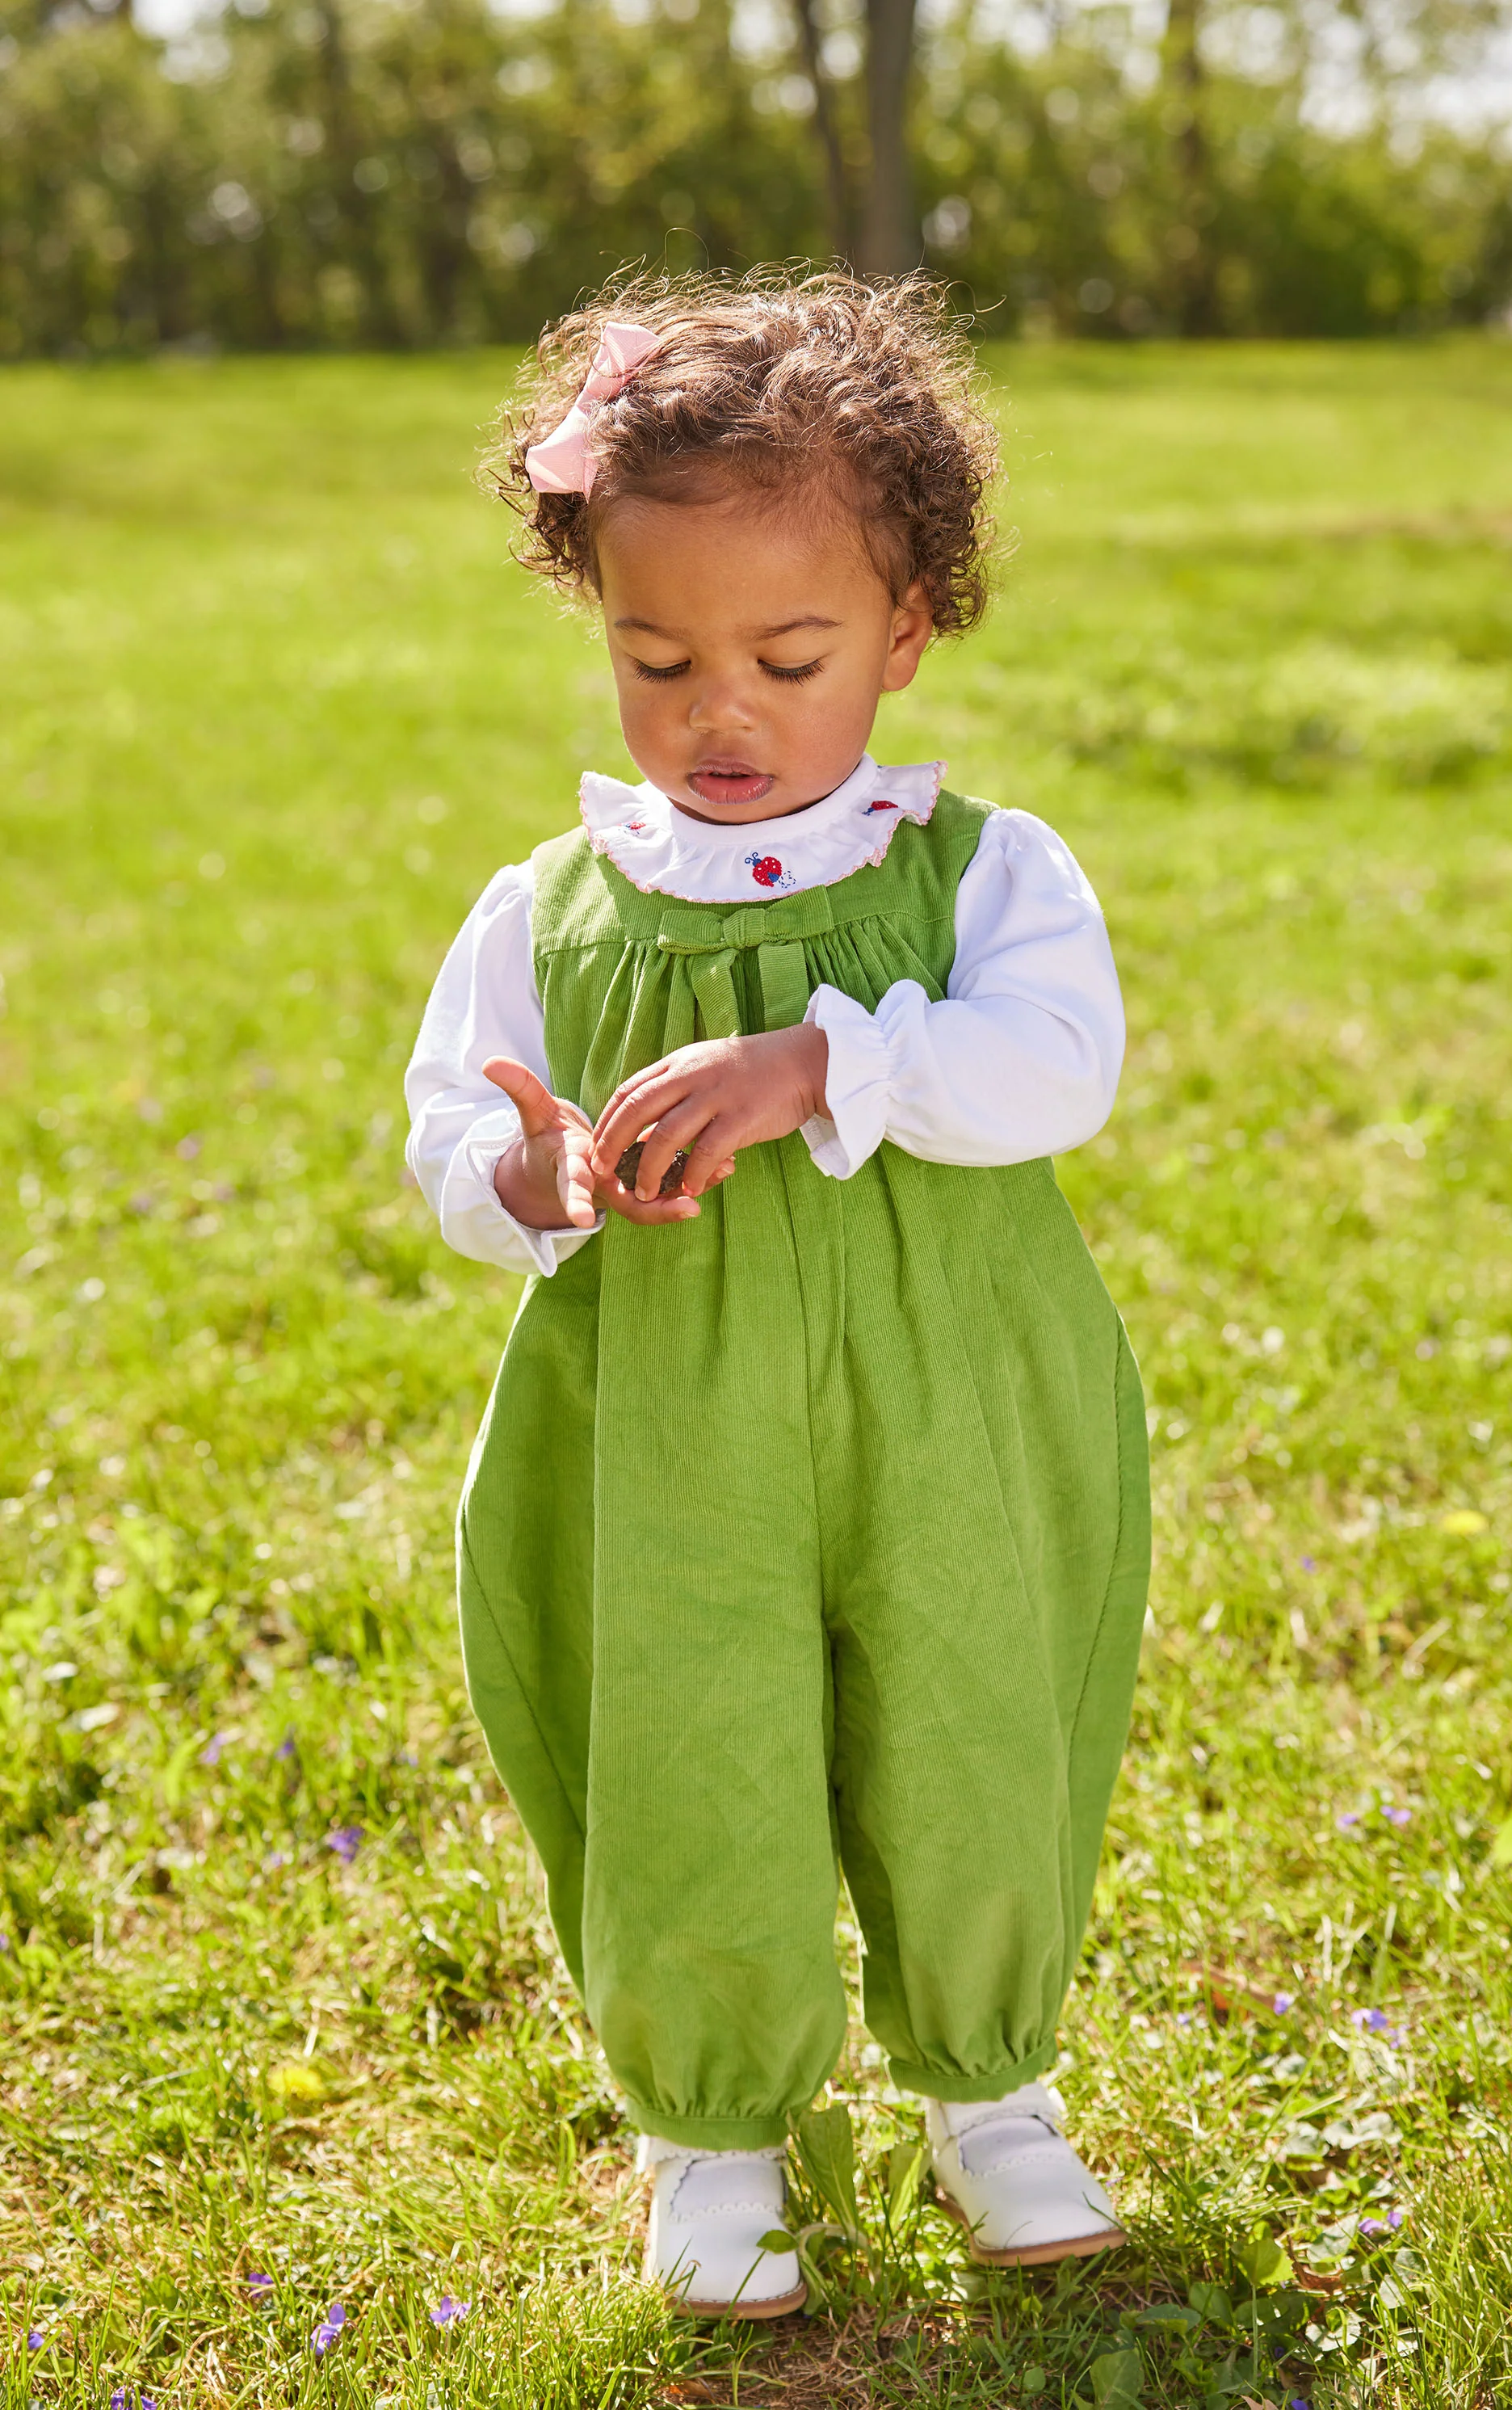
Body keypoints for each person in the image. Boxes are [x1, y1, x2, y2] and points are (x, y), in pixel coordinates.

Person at [404, 271, 1150, 2319]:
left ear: (904, 631)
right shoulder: (550, 909)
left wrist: (825, 1059)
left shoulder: (984, 872)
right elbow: (451, 1131)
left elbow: (1057, 1068)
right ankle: (713, 2131)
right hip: (671, 1428)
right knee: (685, 1736)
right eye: (656, 659)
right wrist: (527, 1174)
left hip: (949, 1403)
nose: (717, 711)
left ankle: (990, 2091)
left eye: (786, 656)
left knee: (970, 1712)